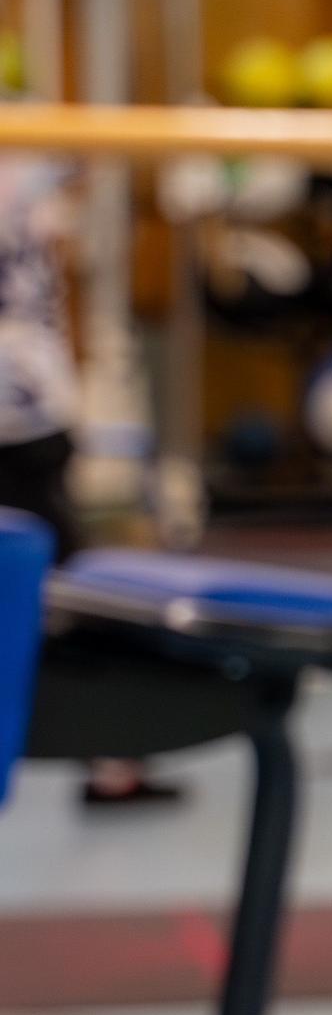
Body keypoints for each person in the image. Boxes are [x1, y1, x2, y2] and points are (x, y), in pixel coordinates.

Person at [0, 155, 165, 807]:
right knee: (72, 590)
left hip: (26, 408)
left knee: (66, 579)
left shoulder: (27, 157)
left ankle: (113, 755)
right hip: (24, 406)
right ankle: (113, 757)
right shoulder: (28, 165)